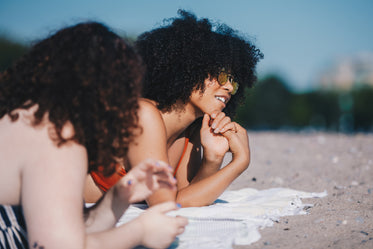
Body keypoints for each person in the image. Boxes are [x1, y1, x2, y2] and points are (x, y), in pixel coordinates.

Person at [0, 21, 187, 249]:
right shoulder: (58, 136)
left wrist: (117, 198)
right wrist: (140, 231)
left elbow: (65, 229)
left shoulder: (28, 116)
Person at [86, 10, 263, 207]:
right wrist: (240, 162)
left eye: (234, 81)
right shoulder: (143, 114)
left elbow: (187, 198)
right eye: (222, 76)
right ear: (189, 67)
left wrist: (213, 159)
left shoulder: (191, 132)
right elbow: (166, 202)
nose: (230, 87)